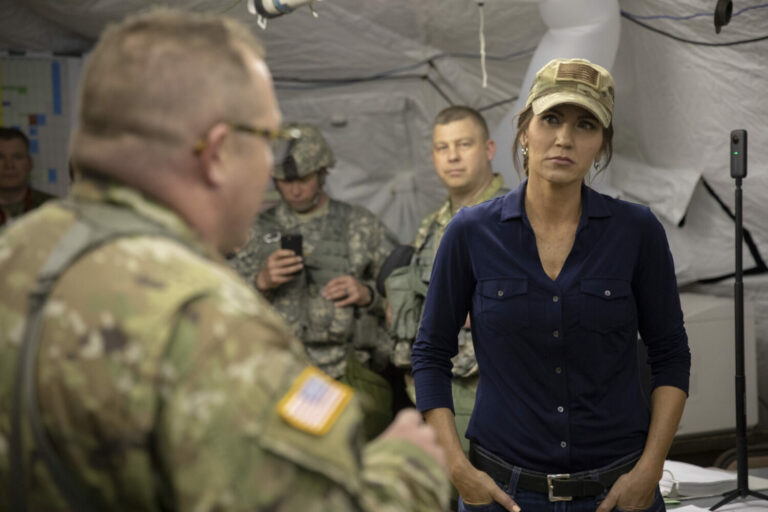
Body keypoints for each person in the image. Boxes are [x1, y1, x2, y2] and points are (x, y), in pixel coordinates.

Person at [0, 9, 449, 512]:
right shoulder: (211, 325)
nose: (274, 174)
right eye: (266, 142)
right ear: (216, 153)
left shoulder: (17, 252)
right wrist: (410, 466)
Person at [411, 58, 691, 512]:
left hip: (618, 493)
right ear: (525, 131)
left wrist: (649, 471)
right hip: (504, 494)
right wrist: (458, 470)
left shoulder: (636, 231)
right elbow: (429, 353)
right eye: (551, 119)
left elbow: (671, 354)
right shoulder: (470, 232)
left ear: (601, 145)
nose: (564, 138)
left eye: (585, 124)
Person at [229, 123, 400, 438]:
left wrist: (367, 295)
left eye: (303, 179)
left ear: (323, 173)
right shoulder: (250, 232)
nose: (294, 190)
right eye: (284, 181)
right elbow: (221, 305)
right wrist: (261, 281)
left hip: (348, 374)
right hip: (277, 375)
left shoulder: (360, 226)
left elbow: (408, 299)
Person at [385, 106, 508, 454]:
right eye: (443, 147)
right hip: (434, 391)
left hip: (492, 397)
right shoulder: (432, 225)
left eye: (464, 144)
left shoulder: (515, 218)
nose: (452, 156)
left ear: (488, 149)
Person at [0, 127, 55, 227]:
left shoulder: (56, 209)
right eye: (1, 157)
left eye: (17, 157)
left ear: (29, 163)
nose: (9, 165)